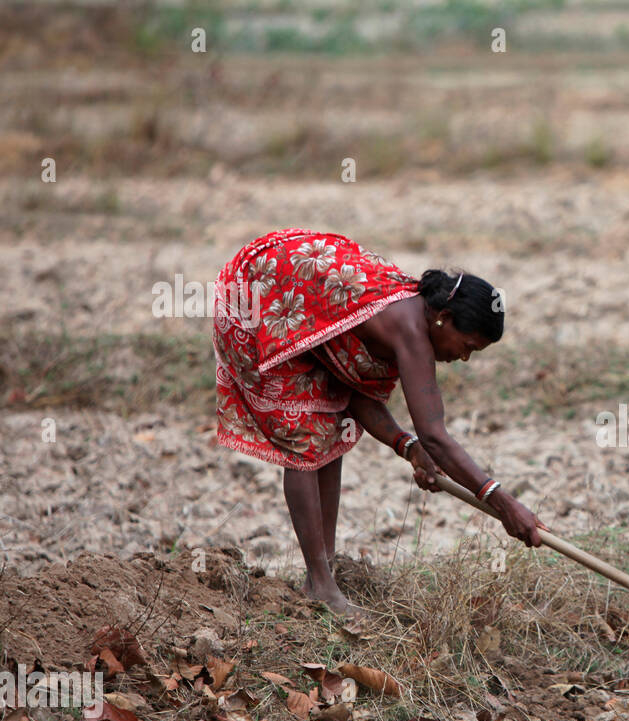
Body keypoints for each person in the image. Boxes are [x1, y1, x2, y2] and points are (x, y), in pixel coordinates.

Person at [212, 228, 542, 614]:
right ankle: (321, 583)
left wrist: (409, 448)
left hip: (295, 288)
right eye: (467, 346)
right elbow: (435, 436)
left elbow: (356, 396)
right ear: (445, 317)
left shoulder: (414, 313)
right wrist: (504, 503)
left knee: (329, 425)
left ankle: (323, 574)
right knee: (307, 438)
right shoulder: (411, 332)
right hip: (257, 296)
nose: (464, 358)